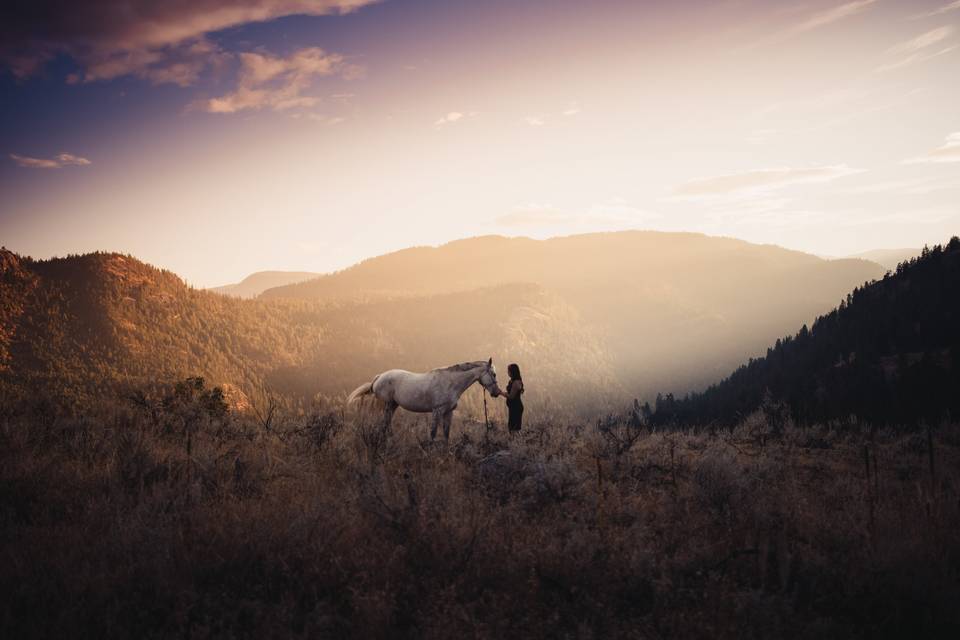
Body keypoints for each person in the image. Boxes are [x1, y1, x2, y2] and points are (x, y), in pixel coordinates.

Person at [504, 363, 524, 432]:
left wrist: (500, 392)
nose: (507, 372)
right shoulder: (512, 381)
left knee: (514, 429)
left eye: (509, 371)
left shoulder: (516, 382)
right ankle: (514, 442)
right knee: (511, 428)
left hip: (516, 408)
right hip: (512, 408)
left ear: (513, 372)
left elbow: (511, 396)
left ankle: (516, 442)